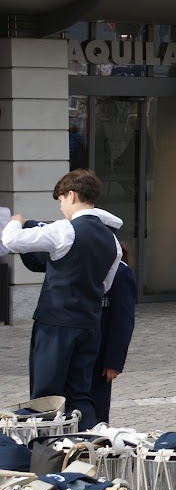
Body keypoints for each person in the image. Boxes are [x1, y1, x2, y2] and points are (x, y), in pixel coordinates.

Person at [0, 170, 122, 430]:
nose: (61, 207)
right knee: (81, 393)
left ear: (72, 195)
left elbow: (10, 240)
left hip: (55, 325)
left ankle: (49, 453)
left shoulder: (64, 230)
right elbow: (106, 284)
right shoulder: (112, 239)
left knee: (46, 396)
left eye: (61, 201)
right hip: (89, 325)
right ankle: (88, 446)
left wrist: (16, 220)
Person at [93, 244, 137, 424]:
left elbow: (123, 321)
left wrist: (113, 362)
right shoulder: (84, 267)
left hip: (101, 354)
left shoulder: (121, 272)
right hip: (79, 350)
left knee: (97, 406)